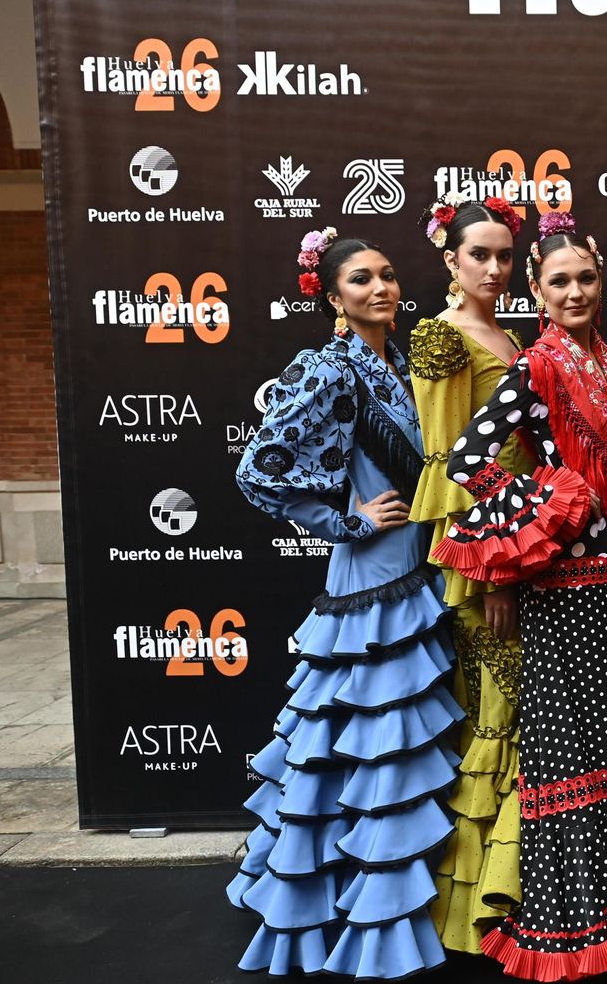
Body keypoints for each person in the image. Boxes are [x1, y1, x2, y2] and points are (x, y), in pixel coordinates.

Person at [432, 211, 607, 979]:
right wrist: (539, 515)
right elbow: (467, 459)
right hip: (561, 591)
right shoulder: (536, 368)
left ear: (600, 279)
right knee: (567, 754)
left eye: (586, 277)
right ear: (537, 290)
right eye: (560, 281)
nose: (577, 290)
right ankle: (573, 923)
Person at [228, 229, 461, 979]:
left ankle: (398, 910)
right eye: (361, 279)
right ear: (331, 295)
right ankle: (341, 922)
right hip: (371, 583)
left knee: (393, 747)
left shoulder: (408, 361)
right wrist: (345, 520)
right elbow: (256, 473)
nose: (380, 288)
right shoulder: (328, 369)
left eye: (389, 274)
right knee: (364, 744)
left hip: (425, 574)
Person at [407, 194, 531, 953]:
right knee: (494, 716)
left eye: (503, 255)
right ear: (449, 261)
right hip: (482, 568)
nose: (493, 267)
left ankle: (511, 897)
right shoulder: (439, 337)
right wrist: (487, 576)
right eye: (477, 254)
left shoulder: (511, 334)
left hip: (527, 553)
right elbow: (450, 464)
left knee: (520, 722)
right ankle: (474, 915)